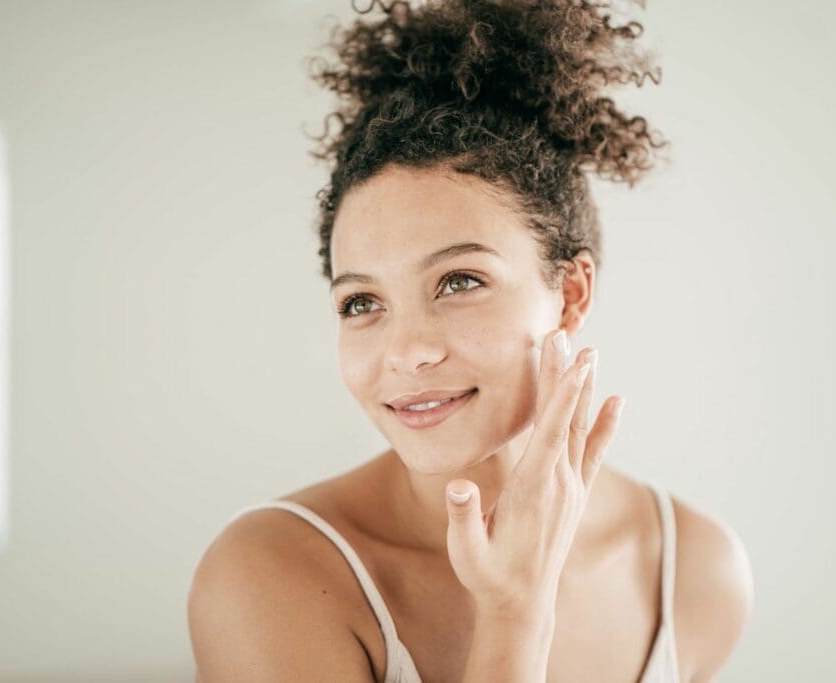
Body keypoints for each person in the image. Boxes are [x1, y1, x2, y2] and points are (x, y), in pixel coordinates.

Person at [187, 0, 754, 681]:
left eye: (459, 281)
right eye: (362, 302)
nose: (407, 350)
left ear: (570, 293)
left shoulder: (694, 569)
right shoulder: (269, 574)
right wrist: (515, 611)